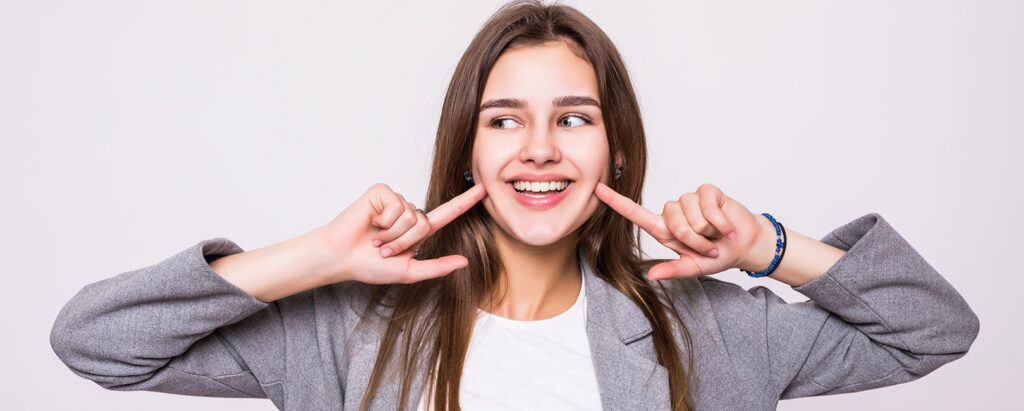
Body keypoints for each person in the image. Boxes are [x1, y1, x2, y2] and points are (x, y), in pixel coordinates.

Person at [50, 1, 979, 410]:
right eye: (506, 120)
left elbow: (932, 330)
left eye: (573, 118)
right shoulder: (344, 328)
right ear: (468, 149)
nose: (539, 147)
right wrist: (320, 258)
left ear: (613, 145)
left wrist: (767, 246)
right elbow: (94, 341)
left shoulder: (714, 330)